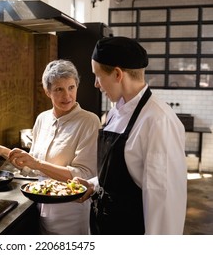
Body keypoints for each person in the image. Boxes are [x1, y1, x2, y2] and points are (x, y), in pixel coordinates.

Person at [75, 36, 187, 235]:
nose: (96, 84)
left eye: (98, 76)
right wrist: (95, 184)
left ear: (118, 74)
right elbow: (127, 175)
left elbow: (164, 204)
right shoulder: (115, 112)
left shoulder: (157, 122)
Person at [0, 59, 101, 234]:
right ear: (47, 91)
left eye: (71, 87)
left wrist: (37, 164)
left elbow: (85, 175)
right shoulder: (42, 119)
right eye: (59, 89)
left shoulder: (89, 121)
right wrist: (2, 151)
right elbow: (32, 168)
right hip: (41, 208)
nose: (67, 96)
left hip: (70, 214)